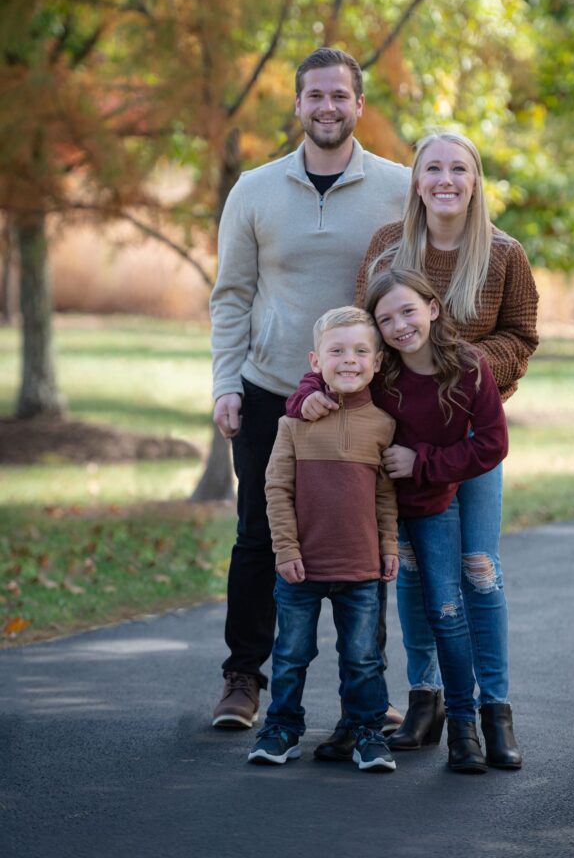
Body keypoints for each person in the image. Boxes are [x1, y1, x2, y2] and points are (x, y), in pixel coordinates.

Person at [296, 130, 539, 769]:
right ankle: (425, 698)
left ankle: (495, 709)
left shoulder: (505, 254)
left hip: (470, 434)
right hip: (400, 439)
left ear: (476, 179)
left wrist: (458, 366)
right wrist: (311, 392)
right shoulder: (387, 248)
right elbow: (356, 336)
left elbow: (524, 334)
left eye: (459, 168)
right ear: (416, 179)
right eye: (433, 168)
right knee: (409, 568)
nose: (445, 180)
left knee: (478, 571)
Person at [210, 48, 409, 730]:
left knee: (361, 535)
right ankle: (243, 679)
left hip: (362, 398)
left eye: (339, 96)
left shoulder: (399, 187)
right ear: (297, 106)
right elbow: (232, 296)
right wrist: (226, 385)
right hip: (268, 391)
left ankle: (369, 696)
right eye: (314, 96)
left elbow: (413, 295)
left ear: (359, 105)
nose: (327, 107)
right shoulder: (254, 189)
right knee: (258, 534)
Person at [287, 269, 509, 772]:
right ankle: (361, 722)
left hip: (431, 504)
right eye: (385, 319)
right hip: (368, 511)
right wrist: (305, 398)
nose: (399, 325)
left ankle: (465, 727)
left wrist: (423, 462)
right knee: (365, 622)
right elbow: (326, 368)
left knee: (447, 610)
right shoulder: (380, 367)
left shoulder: (470, 366)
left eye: (408, 310)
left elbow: (493, 443)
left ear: (433, 307)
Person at [247, 307, 398, 772]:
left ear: (376, 362)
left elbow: (386, 496)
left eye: (359, 351)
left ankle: (366, 732)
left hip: (361, 568)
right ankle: (283, 727)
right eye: (336, 350)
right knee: (291, 654)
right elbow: (277, 489)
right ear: (316, 360)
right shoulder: (292, 424)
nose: (348, 360)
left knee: (363, 657)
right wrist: (286, 550)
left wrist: (389, 547)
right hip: (301, 568)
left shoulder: (384, 425)